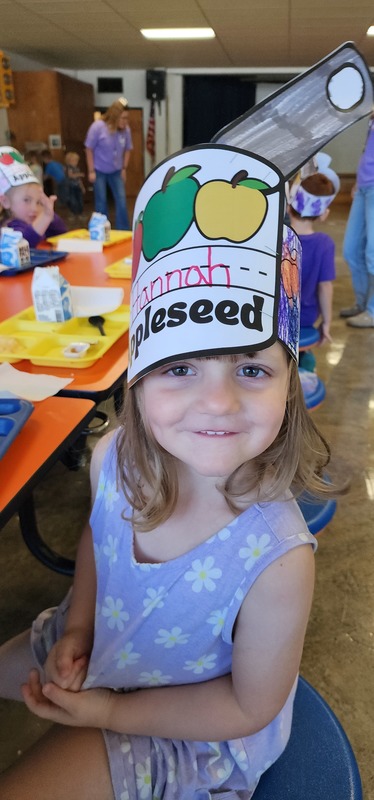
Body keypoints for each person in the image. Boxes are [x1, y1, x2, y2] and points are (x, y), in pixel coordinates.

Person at [0, 144, 339, 800]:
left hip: (187, 731)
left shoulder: (278, 560)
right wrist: (77, 626)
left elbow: (248, 707)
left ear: (289, 387)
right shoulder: (112, 458)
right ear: (137, 385)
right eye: (180, 368)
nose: (217, 401)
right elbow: (98, 545)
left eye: (251, 368)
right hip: (100, 636)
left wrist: (110, 713)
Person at [288, 153, 340, 369]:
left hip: (272, 316)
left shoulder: (277, 237)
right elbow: (325, 288)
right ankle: (304, 365)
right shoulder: (324, 244)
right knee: (305, 359)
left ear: (289, 206)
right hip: (306, 318)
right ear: (323, 214)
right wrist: (326, 323)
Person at [341, 112, 374, 327]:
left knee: (373, 252)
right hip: (364, 187)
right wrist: (357, 179)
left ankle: (372, 310)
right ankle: (362, 303)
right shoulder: (371, 119)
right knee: (351, 250)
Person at [0, 146, 67, 247]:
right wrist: (45, 217)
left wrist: (51, 216)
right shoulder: (10, 227)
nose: (34, 208)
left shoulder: (35, 219)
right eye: (26, 200)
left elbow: (60, 233)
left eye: (39, 202)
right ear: (5, 202)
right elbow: (24, 243)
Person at [85, 97, 133, 230]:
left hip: (116, 170)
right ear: (114, 116)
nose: (125, 121)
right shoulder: (98, 127)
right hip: (99, 170)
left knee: (122, 201)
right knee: (101, 202)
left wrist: (124, 168)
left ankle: (123, 230)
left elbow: (128, 149)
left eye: (127, 118)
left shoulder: (126, 130)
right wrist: (91, 170)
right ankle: (101, 229)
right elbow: (89, 149)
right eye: (123, 118)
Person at [63, 151, 86, 220]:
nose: (75, 162)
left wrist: (82, 187)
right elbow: (70, 175)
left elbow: (79, 180)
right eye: (73, 161)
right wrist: (79, 174)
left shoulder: (77, 168)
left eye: (76, 161)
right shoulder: (68, 168)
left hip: (77, 186)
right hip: (71, 187)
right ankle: (73, 213)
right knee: (72, 201)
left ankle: (80, 213)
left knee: (80, 200)